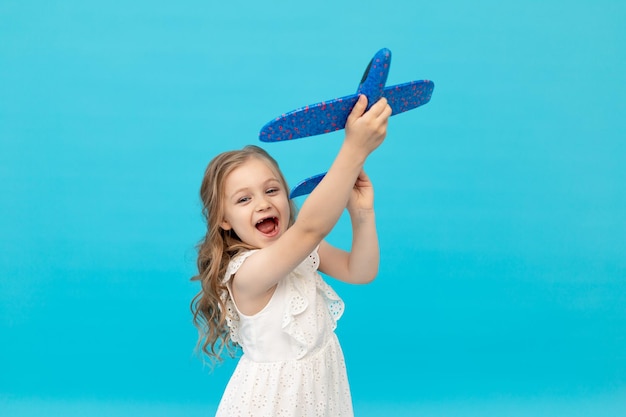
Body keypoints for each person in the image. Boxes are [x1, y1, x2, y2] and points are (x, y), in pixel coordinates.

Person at [191, 94, 392, 416]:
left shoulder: (302, 251)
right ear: (224, 220)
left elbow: (360, 271)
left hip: (319, 394)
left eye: (271, 190)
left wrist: (362, 214)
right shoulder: (247, 275)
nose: (263, 204)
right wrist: (355, 149)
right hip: (274, 404)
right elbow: (311, 228)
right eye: (244, 200)